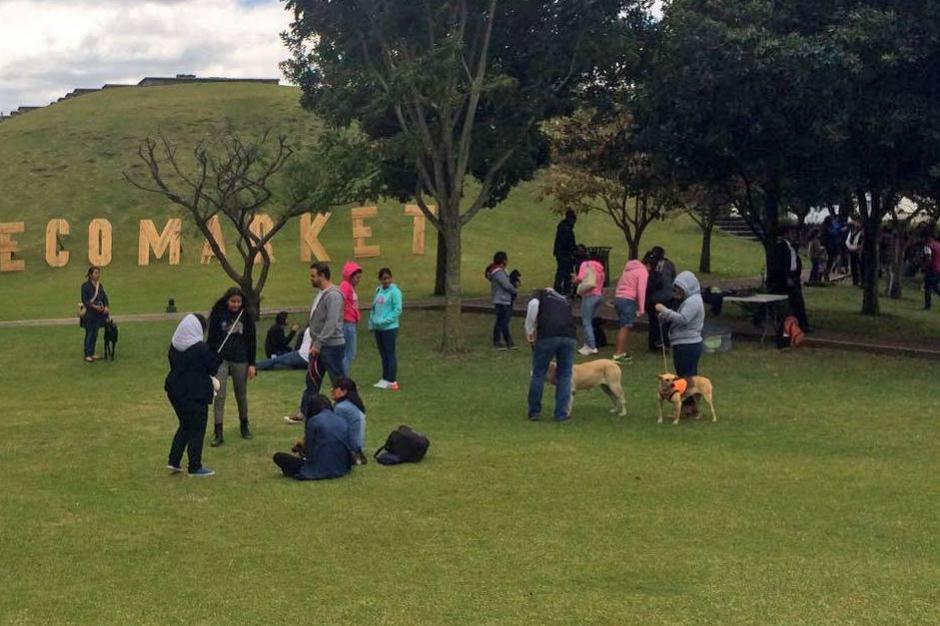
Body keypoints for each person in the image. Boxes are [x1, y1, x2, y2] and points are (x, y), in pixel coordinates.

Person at [164, 314, 222, 477]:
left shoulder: (174, 346)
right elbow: (212, 368)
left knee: (186, 424)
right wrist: (216, 355)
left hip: (175, 389)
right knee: (197, 427)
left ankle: (174, 460)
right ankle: (194, 466)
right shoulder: (200, 348)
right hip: (194, 393)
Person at [206, 287, 257, 446]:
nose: (235, 304)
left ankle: (244, 425)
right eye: (233, 301)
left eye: (238, 302)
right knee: (219, 395)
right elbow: (211, 339)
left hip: (240, 359)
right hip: (221, 359)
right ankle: (218, 432)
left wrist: (252, 363)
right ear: (227, 300)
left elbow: (252, 340)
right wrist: (209, 360)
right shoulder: (218, 314)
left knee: (241, 394)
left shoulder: (246, 316)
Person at [655, 271, 705, 416]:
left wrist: (663, 310)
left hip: (687, 345)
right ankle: (692, 407)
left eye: (679, 288)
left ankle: (686, 408)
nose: (676, 291)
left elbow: (683, 319)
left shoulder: (693, 301)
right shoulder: (691, 300)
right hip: (685, 343)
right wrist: (665, 316)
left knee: (685, 378)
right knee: (687, 377)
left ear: (688, 287)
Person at [525, 287, 578, 421]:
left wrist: (529, 330)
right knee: (565, 375)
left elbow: (533, 305)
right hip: (569, 336)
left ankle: (534, 412)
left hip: (547, 335)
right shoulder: (563, 300)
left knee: (539, 373)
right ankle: (561, 414)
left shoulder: (539, 295)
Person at [272, 394, 353, 480]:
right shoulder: (341, 420)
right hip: (341, 466)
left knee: (279, 457)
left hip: (319, 468)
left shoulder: (314, 421)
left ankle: (289, 471)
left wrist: (301, 449)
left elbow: (309, 451)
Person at [305, 262, 347, 397]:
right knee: (312, 379)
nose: (311, 279)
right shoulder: (322, 293)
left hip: (331, 346)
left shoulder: (333, 295)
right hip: (319, 345)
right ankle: (306, 411)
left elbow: (331, 322)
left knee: (338, 381)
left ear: (322, 276)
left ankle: (347, 409)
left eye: (313, 276)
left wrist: (318, 343)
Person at [767, 226, 811, 332]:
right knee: (795, 302)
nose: (794, 235)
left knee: (798, 303)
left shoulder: (791, 247)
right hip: (784, 279)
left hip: (793, 277)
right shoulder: (781, 247)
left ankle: (802, 325)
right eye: (791, 233)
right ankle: (798, 325)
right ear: (786, 234)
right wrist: (786, 277)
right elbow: (780, 265)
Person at [369, 267, 403, 390]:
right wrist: (372, 323)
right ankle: (385, 378)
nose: (386, 281)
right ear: (380, 279)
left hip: (389, 328)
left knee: (390, 353)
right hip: (379, 328)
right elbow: (374, 308)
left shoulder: (395, 292)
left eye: (388, 278)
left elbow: (397, 309)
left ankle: (391, 379)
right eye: (384, 278)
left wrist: (385, 320)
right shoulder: (378, 290)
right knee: (383, 354)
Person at [612, 257, 649, 364]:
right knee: (625, 327)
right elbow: (641, 290)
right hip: (628, 300)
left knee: (624, 326)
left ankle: (622, 352)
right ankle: (618, 354)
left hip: (619, 298)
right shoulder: (643, 271)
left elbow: (619, 283)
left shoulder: (628, 269)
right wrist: (641, 308)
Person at [571, 245, 605, 356]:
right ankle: (588, 344)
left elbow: (580, 279)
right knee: (590, 321)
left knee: (586, 322)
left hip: (589, 296)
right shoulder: (600, 268)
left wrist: (574, 279)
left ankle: (591, 346)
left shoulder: (585, 264)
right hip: (598, 296)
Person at [643, 247, 677, 352]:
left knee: (653, 322)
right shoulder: (669, 264)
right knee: (665, 321)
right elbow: (673, 279)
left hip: (650, 298)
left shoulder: (646, 263)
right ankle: (664, 343)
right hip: (666, 297)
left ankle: (653, 344)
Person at [485, 251, 518, 350]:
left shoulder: (499, 272)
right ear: (503, 260)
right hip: (502, 299)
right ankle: (505, 341)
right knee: (503, 321)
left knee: (501, 320)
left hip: (501, 299)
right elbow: (506, 285)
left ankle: (503, 341)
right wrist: (515, 290)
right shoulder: (499, 273)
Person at [331, 377, 367, 465]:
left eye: (335, 388)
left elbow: (335, 431)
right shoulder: (355, 404)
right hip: (358, 448)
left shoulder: (341, 408)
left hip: (350, 450)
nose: (331, 390)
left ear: (344, 391)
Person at [80, 266, 110, 362]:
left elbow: (104, 297)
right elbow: (85, 300)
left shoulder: (99, 286)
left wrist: (106, 306)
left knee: (95, 334)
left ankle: (92, 353)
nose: (98, 275)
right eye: (96, 273)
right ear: (90, 274)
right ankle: (87, 354)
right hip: (89, 314)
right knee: (89, 333)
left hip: (98, 315)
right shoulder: (85, 286)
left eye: (98, 273)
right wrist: (94, 306)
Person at [339, 262, 364, 375]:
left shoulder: (350, 287)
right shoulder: (345, 286)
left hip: (350, 323)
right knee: (349, 353)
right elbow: (341, 302)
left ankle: (342, 379)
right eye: (357, 277)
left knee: (347, 354)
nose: (359, 280)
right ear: (350, 276)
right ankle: (343, 380)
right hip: (347, 324)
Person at [552, 209, 578, 296]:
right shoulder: (567, 230)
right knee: (565, 272)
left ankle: (561, 289)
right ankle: (564, 289)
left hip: (560, 253)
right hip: (565, 254)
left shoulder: (562, 227)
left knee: (562, 272)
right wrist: (574, 250)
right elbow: (568, 243)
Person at [923, 230, 940, 310]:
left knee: (928, 288)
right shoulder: (939, 245)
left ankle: (927, 306)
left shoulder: (928, 246)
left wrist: (925, 267)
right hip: (939, 269)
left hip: (932, 269)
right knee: (935, 287)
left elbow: (928, 258)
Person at [846, 221, 863, 287]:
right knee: (853, 267)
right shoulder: (851, 233)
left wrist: (857, 248)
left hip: (858, 251)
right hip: (852, 251)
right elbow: (847, 241)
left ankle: (860, 281)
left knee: (859, 266)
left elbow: (861, 244)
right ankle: (855, 281)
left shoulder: (861, 233)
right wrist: (851, 247)